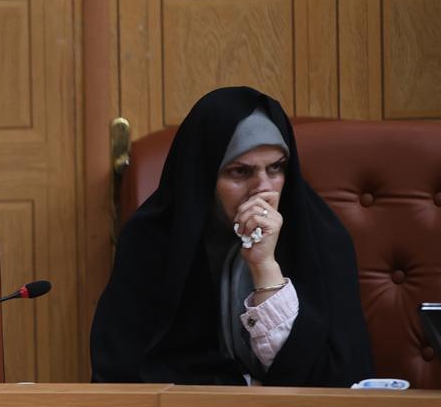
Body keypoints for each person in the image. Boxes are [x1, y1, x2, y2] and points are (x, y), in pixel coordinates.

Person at [90, 86, 372, 386]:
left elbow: (337, 380)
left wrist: (265, 267)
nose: (263, 189)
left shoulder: (322, 237)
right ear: (204, 177)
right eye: (240, 172)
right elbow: (122, 375)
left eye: (276, 168)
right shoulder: (151, 240)